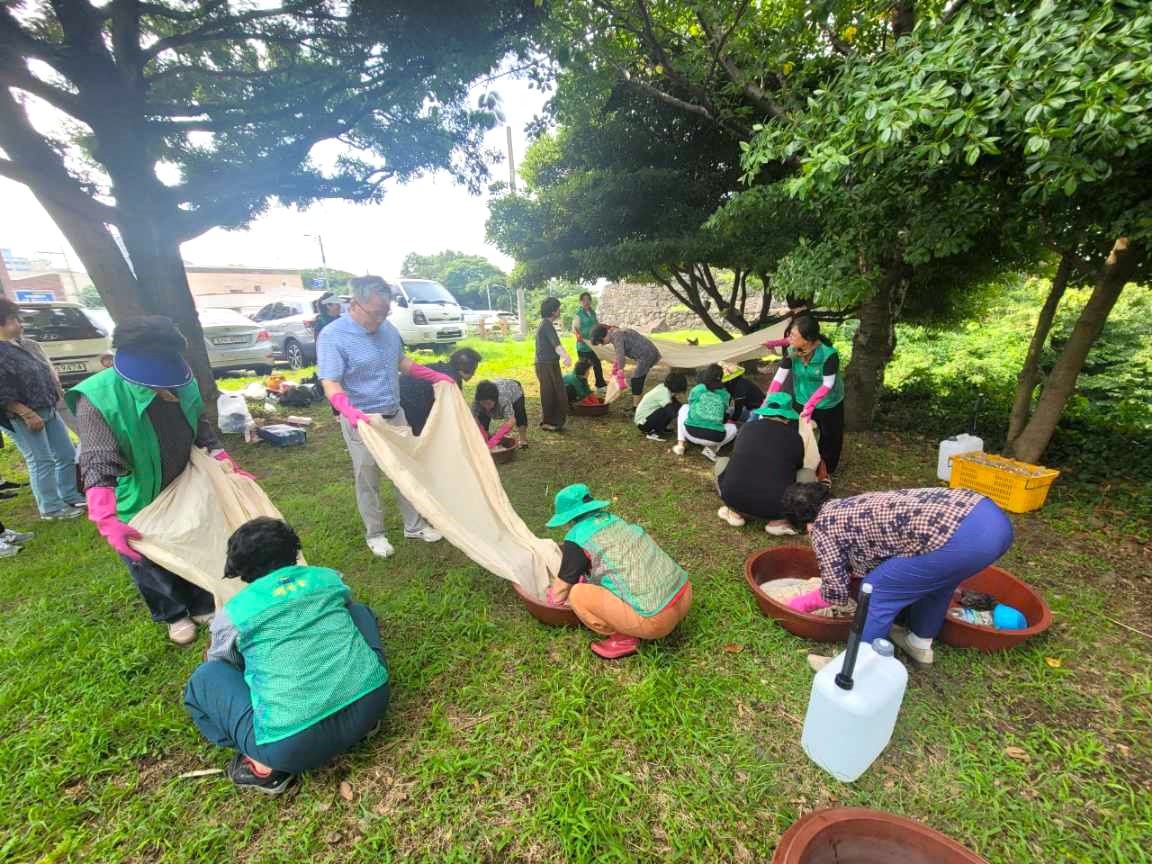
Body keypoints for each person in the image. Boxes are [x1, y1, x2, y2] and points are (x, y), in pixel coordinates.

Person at [67, 316, 251, 644]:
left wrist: (224, 461)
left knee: (195, 538)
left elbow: (201, 427)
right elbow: (97, 459)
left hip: (182, 479)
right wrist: (106, 518)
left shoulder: (182, 382)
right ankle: (173, 613)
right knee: (147, 557)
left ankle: (202, 600)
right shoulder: (97, 399)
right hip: (134, 493)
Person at [183, 518, 390, 795]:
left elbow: (226, 664)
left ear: (239, 571)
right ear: (295, 552)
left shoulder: (233, 614)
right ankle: (356, 712)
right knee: (358, 612)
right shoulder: (328, 578)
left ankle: (264, 764)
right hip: (372, 704)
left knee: (206, 678)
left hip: (292, 747)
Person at [781, 485, 1014, 667]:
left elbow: (835, 592)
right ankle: (919, 645)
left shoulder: (822, 527)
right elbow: (882, 552)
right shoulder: (848, 505)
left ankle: (856, 665)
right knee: (938, 583)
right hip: (989, 518)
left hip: (963, 538)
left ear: (806, 526)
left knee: (875, 590)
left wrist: (796, 604)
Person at [318, 276, 453, 559]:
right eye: (375, 312)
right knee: (367, 475)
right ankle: (375, 534)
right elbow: (330, 382)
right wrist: (350, 411)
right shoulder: (333, 336)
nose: (380, 318)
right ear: (355, 304)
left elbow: (400, 361)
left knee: (406, 470)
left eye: (385, 311)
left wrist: (432, 375)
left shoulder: (387, 329)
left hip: (395, 412)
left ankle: (414, 526)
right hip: (363, 420)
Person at [544, 484, 692, 659]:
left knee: (577, 594)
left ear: (568, 520)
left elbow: (561, 591)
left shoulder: (577, 537)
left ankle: (623, 639)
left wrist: (550, 597)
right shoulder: (613, 520)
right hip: (684, 596)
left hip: (657, 620)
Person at [0, 298, 85, 520]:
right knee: (41, 460)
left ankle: (69, 495)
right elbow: (2, 393)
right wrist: (26, 414)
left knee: (65, 454)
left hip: (48, 408)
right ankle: (51, 508)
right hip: (23, 416)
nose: (20, 323)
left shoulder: (21, 345)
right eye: (14, 319)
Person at [715, 392, 825, 534]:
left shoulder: (746, 428)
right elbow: (798, 468)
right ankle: (779, 522)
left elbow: (736, 457)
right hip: (775, 508)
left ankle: (734, 513)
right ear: (787, 418)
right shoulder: (795, 437)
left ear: (765, 413)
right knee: (807, 474)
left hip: (732, 497)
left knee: (723, 462)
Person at [768, 316, 845, 473]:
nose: (789, 338)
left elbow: (827, 384)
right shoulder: (792, 351)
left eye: (793, 335)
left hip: (827, 402)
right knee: (799, 432)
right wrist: (767, 402)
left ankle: (826, 469)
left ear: (807, 339)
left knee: (829, 436)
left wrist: (810, 406)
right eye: (790, 334)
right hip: (802, 397)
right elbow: (779, 378)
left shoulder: (828, 355)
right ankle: (800, 463)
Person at [398, 347, 482, 436]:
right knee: (420, 436)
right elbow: (454, 410)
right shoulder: (451, 379)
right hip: (409, 401)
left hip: (402, 392)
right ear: (466, 368)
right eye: (474, 369)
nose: (474, 374)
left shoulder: (444, 368)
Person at [672, 364, 737, 461]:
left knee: (684, 407)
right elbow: (723, 413)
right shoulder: (725, 394)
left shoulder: (698, 388)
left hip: (691, 432)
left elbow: (690, 403)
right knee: (733, 428)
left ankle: (680, 444)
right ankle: (711, 449)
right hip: (715, 437)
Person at [590, 323, 661, 408]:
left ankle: (636, 407)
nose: (603, 344)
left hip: (646, 354)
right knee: (638, 379)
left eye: (601, 341)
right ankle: (640, 404)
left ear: (604, 335)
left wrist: (620, 370)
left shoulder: (616, 336)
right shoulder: (615, 332)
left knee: (636, 380)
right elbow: (619, 352)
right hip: (647, 353)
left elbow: (620, 354)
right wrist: (617, 366)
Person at [535, 297, 571, 431]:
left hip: (549, 363)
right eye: (558, 309)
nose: (559, 311)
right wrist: (566, 357)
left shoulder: (545, 324)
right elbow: (556, 345)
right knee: (550, 393)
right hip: (545, 364)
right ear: (553, 311)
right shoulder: (546, 325)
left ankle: (552, 420)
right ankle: (548, 422)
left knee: (556, 392)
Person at [473, 378, 530, 449]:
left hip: (514, 389)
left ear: (495, 400)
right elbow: (474, 417)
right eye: (483, 403)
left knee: (519, 414)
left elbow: (511, 420)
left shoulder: (503, 399)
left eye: (488, 404)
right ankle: (486, 438)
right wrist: (482, 432)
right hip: (498, 385)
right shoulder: (477, 400)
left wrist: (496, 439)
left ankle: (523, 440)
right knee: (482, 414)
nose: (486, 407)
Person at [634, 372, 688, 440]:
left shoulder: (664, 387)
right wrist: (685, 420)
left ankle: (660, 429)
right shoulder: (664, 393)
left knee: (675, 405)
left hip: (647, 419)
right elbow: (671, 413)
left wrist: (684, 408)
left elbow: (677, 405)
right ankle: (654, 433)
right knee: (668, 410)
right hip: (643, 423)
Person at [571, 291, 607, 390]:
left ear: (590, 301)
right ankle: (580, 386)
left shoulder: (592, 312)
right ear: (580, 302)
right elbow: (574, 329)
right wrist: (578, 336)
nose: (586, 302)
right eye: (584, 300)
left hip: (593, 344)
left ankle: (600, 385)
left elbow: (597, 325)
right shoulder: (578, 314)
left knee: (597, 365)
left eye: (588, 299)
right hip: (583, 345)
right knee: (583, 367)